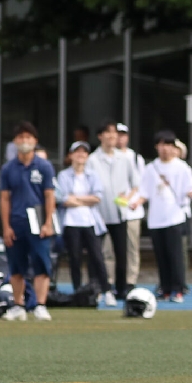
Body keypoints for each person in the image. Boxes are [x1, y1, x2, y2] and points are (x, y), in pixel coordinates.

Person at [0, 121, 57, 321]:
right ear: (15, 141)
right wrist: (6, 226)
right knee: (16, 266)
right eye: (21, 137)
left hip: (38, 221)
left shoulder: (44, 166)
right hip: (16, 221)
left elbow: (49, 196)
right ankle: (18, 305)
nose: (24, 141)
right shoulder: (8, 168)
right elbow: (4, 198)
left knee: (41, 263)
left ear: (35, 141)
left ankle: (40, 305)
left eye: (28, 137)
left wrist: (48, 222)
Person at [139, 129, 192, 303]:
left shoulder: (181, 167)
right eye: (161, 144)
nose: (165, 148)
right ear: (156, 147)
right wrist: (135, 202)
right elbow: (144, 191)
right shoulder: (150, 168)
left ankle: (178, 288)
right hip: (155, 219)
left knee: (176, 255)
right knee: (161, 256)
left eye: (168, 144)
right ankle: (165, 288)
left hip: (175, 217)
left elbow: (191, 188)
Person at [87, 120, 139, 303]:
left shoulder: (125, 158)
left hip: (119, 212)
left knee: (121, 252)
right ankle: (96, 287)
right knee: (96, 252)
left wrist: (127, 197)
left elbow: (135, 184)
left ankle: (121, 289)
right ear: (100, 136)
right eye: (107, 133)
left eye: (114, 133)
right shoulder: (92, 159)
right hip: (98, 214)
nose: (111, 136)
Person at [56, 140, 110, 298]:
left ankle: (105, 290)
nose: (81, 155)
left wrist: (76, 199)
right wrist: (85, 199)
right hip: (71, 222)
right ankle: (78, 290)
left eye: (84, 152)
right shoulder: (64, 175)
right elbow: (62, 198)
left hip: (90, 221)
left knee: (97, 257)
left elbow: (97, 197)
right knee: (75, 258)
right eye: (77, 152)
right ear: (71, 155)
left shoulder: (92, 175)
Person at [116, 123, 147, 293]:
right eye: (117, 135)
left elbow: (142, 183)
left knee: (132, 248)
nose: (120, 138)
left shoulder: (135, 158)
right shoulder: (109, 157)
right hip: (113, 211)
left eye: (123, 135)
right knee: (110, 249)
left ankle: (130, 280)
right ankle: (112, 280)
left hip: (132, 210)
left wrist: (135, 200)